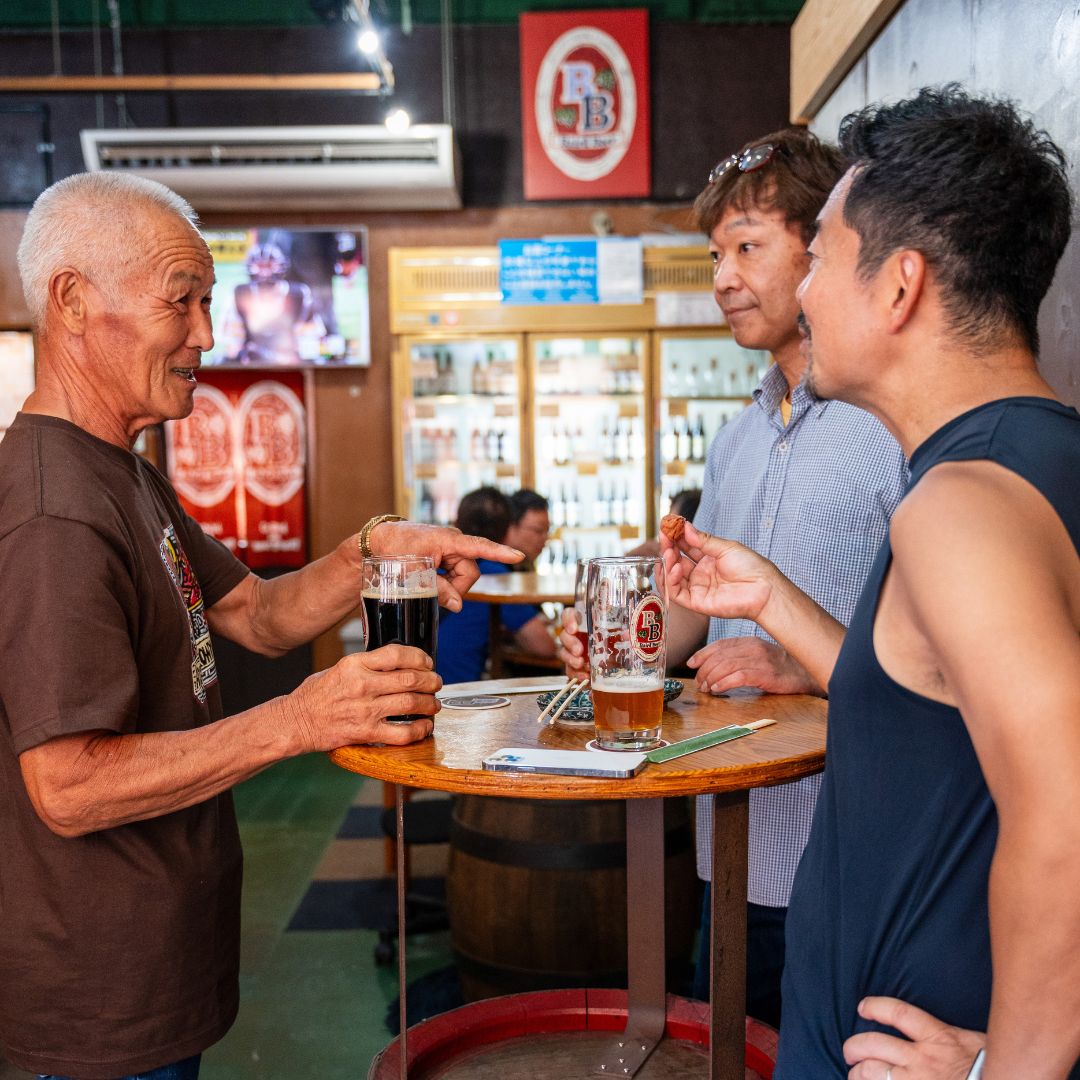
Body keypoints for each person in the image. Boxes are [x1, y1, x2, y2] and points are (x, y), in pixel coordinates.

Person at [0, 172, 522, 1080]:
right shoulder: (55, 514)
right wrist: (299, 721)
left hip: (156, 970)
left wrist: (377, 547)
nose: (208, 333)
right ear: (73, 301)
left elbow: (257, 612)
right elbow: (67, 785)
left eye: (210, 301)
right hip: (97, 1004)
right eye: (183, 302)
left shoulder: (120, 471)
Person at [661, 86, 1080, 1079]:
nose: (803, 291)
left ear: (898, 288)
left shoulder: (957, 503)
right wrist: (771, 597)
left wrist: (1002, 1074)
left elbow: (1069, 810)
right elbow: (934, 710)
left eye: (827, 257)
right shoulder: (1035, 460)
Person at [560, 126, 909, 1029]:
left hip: (851, 855)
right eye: (715, 253)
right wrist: (618, 643)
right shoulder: (738, 433)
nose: (722, 277)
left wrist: (802, 659)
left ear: (828, 250)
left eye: (749, 247)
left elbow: (945, 649)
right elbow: (695, 617)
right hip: (726, 842)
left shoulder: (892, 425)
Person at [435, 486, 556, 685]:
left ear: (457, 522)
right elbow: (543, 646)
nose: (544, 538)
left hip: (422, 684)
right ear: (508, 529)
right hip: (458, 691)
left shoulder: (440, 566)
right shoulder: (494, 575)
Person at [505, 488, 551, 571]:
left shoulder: (524, 566)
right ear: (512, 526)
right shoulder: (492, 571)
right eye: (538, 530)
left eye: (547, 531)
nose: (545, 539)